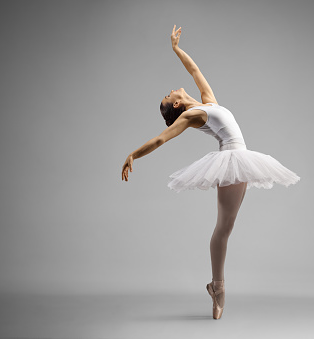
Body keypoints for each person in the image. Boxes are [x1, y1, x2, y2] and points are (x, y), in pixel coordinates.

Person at [121, 25, 300, 319]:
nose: (173, 88)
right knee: (223, 229)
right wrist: (133, 155)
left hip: (239, 157)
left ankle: (216, 288)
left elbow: (194, 70)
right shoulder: (193, 114)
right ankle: (218, 288)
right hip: (232, 159)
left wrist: (176, 48)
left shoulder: (208, 102)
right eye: (170, 94)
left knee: (225, 228)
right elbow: (160, 139)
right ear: (177, 104)